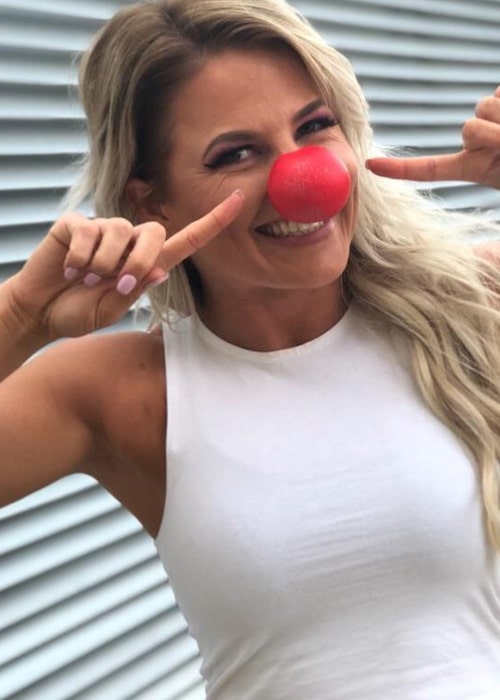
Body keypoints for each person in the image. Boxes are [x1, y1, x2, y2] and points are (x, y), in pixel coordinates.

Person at [1, 0, 500, 697]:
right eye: (235, 154)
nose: (305, 179)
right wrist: (20, 315)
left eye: (315, 126)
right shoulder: (122, 392)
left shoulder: (476, 302)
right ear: (152, 204)